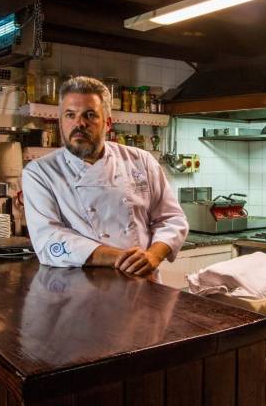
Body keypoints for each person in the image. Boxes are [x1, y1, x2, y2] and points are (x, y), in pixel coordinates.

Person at [22, 76, 188, 276]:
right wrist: (119, 258)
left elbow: (172, 219)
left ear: (108, 123)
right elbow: (49, 237)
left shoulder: (141, 160)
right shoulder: (40, 172)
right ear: (60, 122)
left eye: (90, 115)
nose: (79, 123)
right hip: (80, 287)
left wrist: (153, 255)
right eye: (70, 115)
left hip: (142, 281)